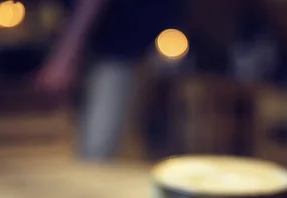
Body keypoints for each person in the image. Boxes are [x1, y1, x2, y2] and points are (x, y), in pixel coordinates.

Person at [34, 0, 185, 161]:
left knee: (97, 154)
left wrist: (64, 58)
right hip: (120, 46)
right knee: (100, 148)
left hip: (120, 47)